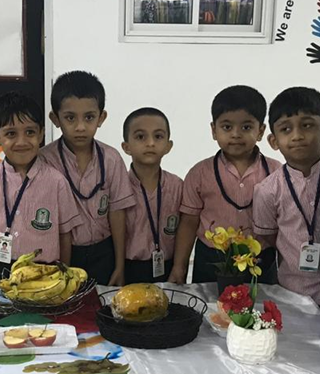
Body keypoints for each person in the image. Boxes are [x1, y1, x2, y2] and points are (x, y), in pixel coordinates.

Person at [168, 86, 281, 284]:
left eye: (246, 127)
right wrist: (179, 267)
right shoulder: (199, 173)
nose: (236, 134)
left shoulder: (276, 172)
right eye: (227, 127)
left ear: (261, 131)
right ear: (214, 130)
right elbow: (189, 223)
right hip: (211, 259)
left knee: (260, 303)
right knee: (208, 303)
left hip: (259, 259)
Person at [39, 71, 133, 285]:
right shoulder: (44, 160)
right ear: (55, 119)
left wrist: (120, 265)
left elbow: (117, 213)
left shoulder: (111, 159)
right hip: (61, 254)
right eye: (70, 118)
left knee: (103, 302)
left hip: (104, 252)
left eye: (89, 117)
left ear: (101, 118)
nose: (80, 127)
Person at [253, 87, 320, 316]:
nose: (297, 136)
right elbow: (269, 238)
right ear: (273, 141)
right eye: (286, 129)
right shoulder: (267, 190)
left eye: (307, 125)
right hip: (291, 291)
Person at [0, 92, 81, 279]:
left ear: (41, 134)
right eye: (11, 134)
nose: (22, 142)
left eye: (30, 132)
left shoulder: (57, 182)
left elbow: (65, 235)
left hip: (43, 271)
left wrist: (64, 274)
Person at [120, 107, 183, 284]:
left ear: (168, 146)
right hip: (128, 267)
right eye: (141, 137)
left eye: (158, 136)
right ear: (126, 147)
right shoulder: (118, 186)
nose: (150, 143)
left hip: (168, 267)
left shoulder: (177, 186)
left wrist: (180, 266)